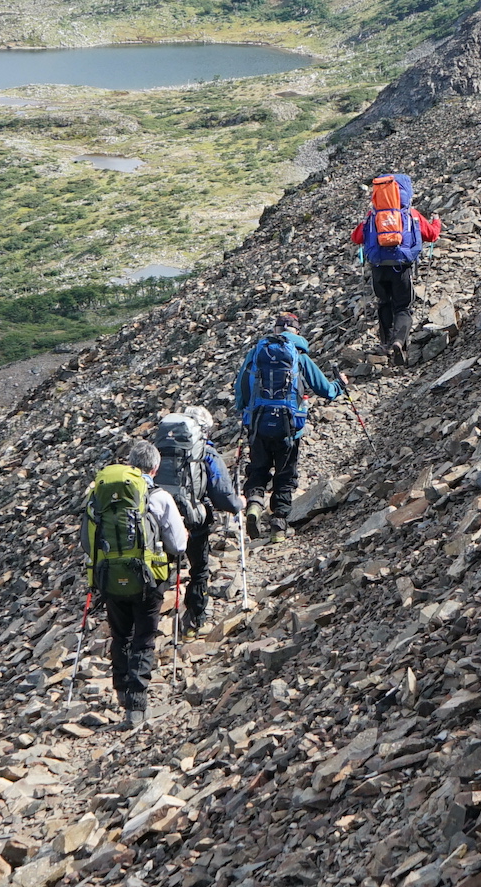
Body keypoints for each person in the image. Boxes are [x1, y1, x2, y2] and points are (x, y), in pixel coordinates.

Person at [79, 439, 186, 728]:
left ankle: (123, 693)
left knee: (120, 636)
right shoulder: (159, 496)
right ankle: (137, 707)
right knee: (144, 639)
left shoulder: (99, 496)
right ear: (155, 466)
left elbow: (87, 544)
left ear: (129, 464)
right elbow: (178, 544)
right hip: (148, 580)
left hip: (110, 578)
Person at [233, 311, 347, 533]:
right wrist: (339, 385)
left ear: (276, 329)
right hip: (289, 428)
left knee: (258, 469)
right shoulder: (299, 355)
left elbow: (241, 388)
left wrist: (245, 412)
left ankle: (254, 506)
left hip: (258, 424)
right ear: (297, 331)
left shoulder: (257, 352)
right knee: (285, 475)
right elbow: (325, 390)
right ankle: (279, 523)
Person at [152, 407, 240, 635]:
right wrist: (238, 504)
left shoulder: (159, 451)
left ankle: (147, 620)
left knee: (160, 570)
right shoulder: (206, 454)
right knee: (199, 570)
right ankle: (193, 622)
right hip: (194, 522)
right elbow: (222, 494)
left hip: (159, 523)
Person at [350, 173, 441, 350]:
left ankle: (385, 343)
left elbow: (356, 238)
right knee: (402, 307)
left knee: (384, 303)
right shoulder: (410, 214)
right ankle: (399, 342)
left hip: (378, 268)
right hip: (401, 267)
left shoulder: (373, 215)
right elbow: (432, 235)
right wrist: (437, 221)